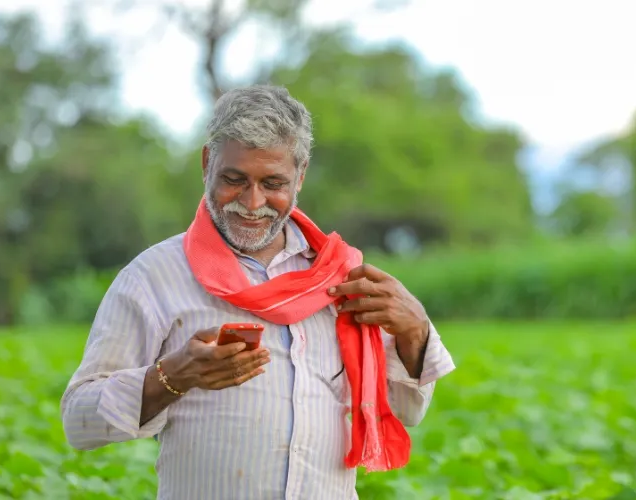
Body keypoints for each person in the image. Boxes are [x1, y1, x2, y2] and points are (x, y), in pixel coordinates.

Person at [59, 84, 456, 500]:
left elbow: (406, 410)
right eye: (234, 179)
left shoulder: (343, 278)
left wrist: (415, 331)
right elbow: (79, 421)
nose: (252, 202)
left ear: (300, 176)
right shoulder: (154, 277)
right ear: (207, 163)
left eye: (273, 183)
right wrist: (172, 376)